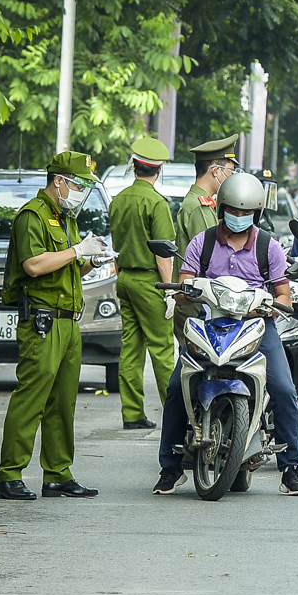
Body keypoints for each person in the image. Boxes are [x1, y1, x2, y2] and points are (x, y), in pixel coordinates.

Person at [154, 170, 298, 497]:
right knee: (175, 387)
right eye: (233, 211)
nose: (239, 217)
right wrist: (185, 291)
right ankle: (169, 468)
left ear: (256, 213)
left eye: (246, 212)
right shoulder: (203, 242)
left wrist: (269, 307)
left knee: (283, 388)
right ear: (222, 208)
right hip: (211, 322)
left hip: (256, 325)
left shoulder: (269, 247)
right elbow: (185, 282)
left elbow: (284, 296)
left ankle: (292, 469)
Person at [0, 151, 107, 500]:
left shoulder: (65, 217)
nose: (79, 191)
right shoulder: (33, 215)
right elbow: (33, 265)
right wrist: (76, 252)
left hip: (68, 321)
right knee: (31, 399)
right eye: (77, 184)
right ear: (58, 181)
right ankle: (9, 474)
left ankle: (57, 474)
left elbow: (66, 268)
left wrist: (90, 259)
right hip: (43, 321)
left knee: (62, 403)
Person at [109, 135, 176, 430]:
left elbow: (115, 245)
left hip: (124, 278)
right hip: (150, 283)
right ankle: (175, 415)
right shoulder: (157, 203)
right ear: (158, 170)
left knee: (131, 348)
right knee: (162, 349)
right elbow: (163, 254)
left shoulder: (119, 199)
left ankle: (132, 413)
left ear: (134, 167)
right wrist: (170, 291)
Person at [174, 136, 240, 246]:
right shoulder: (199, 207)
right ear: (216, 171)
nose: (231, 176)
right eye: (230, 171)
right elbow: (210, 253)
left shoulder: (204, 203)